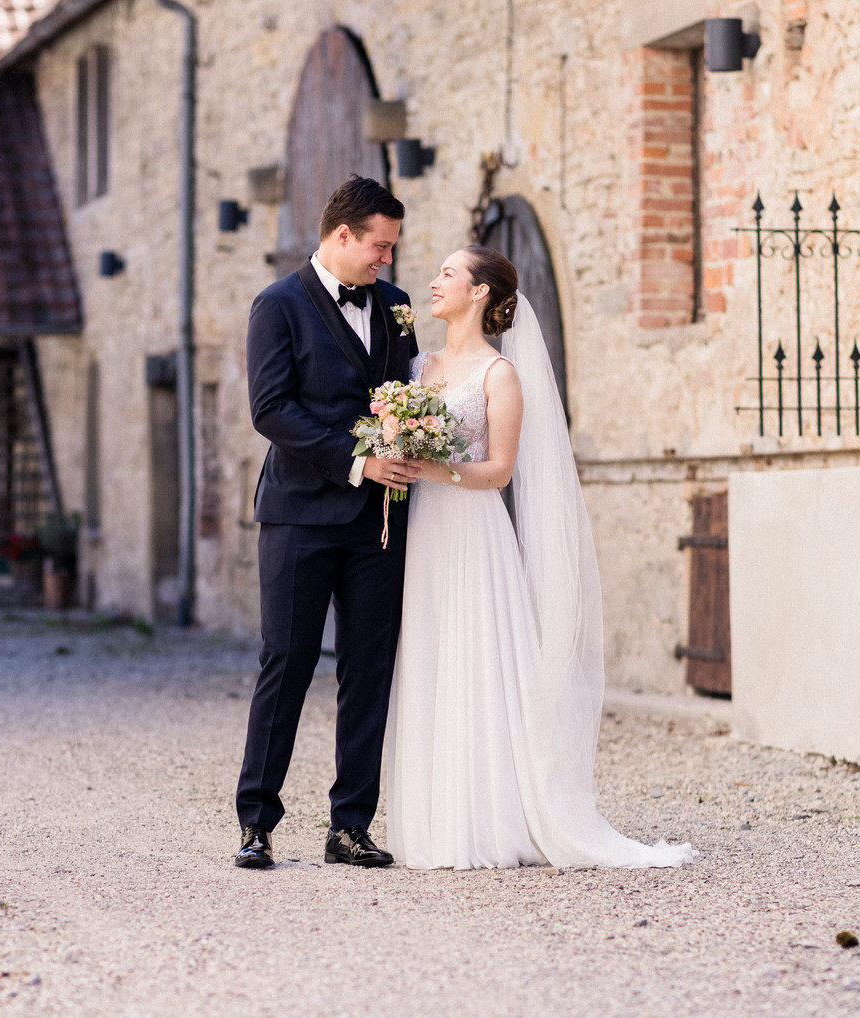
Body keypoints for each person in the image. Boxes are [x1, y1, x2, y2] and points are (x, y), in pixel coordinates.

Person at [384, 246, 697, 869]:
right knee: (429, 652)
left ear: (479, 293)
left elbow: (499, 471)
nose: (433, 281)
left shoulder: (500, 376)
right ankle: (436, 819)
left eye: (448, 273)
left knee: (478, 657)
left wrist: (435, 466)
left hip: (473, 530)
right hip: (425, 531)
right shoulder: (416, 366)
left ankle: (493, 818)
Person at [234, 177, 420, 869]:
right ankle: (256, 823)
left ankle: (351, 826)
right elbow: (271, 410)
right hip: (300, 517)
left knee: (369, 669)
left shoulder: (397, 306)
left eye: (392, 248)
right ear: (342, 236)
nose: (386, 261)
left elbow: (407, 390)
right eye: (379, 246)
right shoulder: (277, 305)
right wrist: (357, 461)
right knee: (287, 662)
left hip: (379, 523)